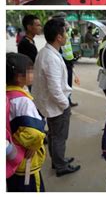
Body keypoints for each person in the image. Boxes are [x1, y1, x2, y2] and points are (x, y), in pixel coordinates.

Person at [31, 18, 81, 176]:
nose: (66, 35)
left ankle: (57, 160)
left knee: (54, 135)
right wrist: (65, 104)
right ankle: (60, 165)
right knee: (59, 136)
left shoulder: (47, 52)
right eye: (65, 32)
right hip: (56, 105)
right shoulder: (50, 57)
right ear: (59, 37)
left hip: (50, 104)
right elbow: (55, 89)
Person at [6, 53, 47, 191]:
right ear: (19, 77)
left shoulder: (7, 95)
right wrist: (35, 144)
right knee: (30, 187)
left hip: (10, 161)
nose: (33, 73)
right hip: (26, 163)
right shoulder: (23, 101)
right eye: (30, 71)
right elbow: (34, 133)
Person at [52, 13, 80, 108]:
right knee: (63, 83)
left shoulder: (65, 30)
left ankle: (68, 100)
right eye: (63, 20)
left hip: (69, 59)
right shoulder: (56, 33)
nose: (66, 22)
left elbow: (70, 31)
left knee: (68, 83)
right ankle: (65, 103)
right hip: (62, 59)